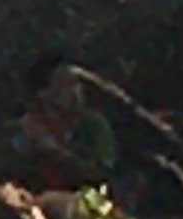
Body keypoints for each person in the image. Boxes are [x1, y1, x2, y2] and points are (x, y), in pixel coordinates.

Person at [11, 55, 120, 196]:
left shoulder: (94, 126)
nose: (76, 91)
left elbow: (101, 178)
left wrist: (54, 151)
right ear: (43, 93)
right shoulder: (25, 129)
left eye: (77, 84)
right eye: (67, 84)